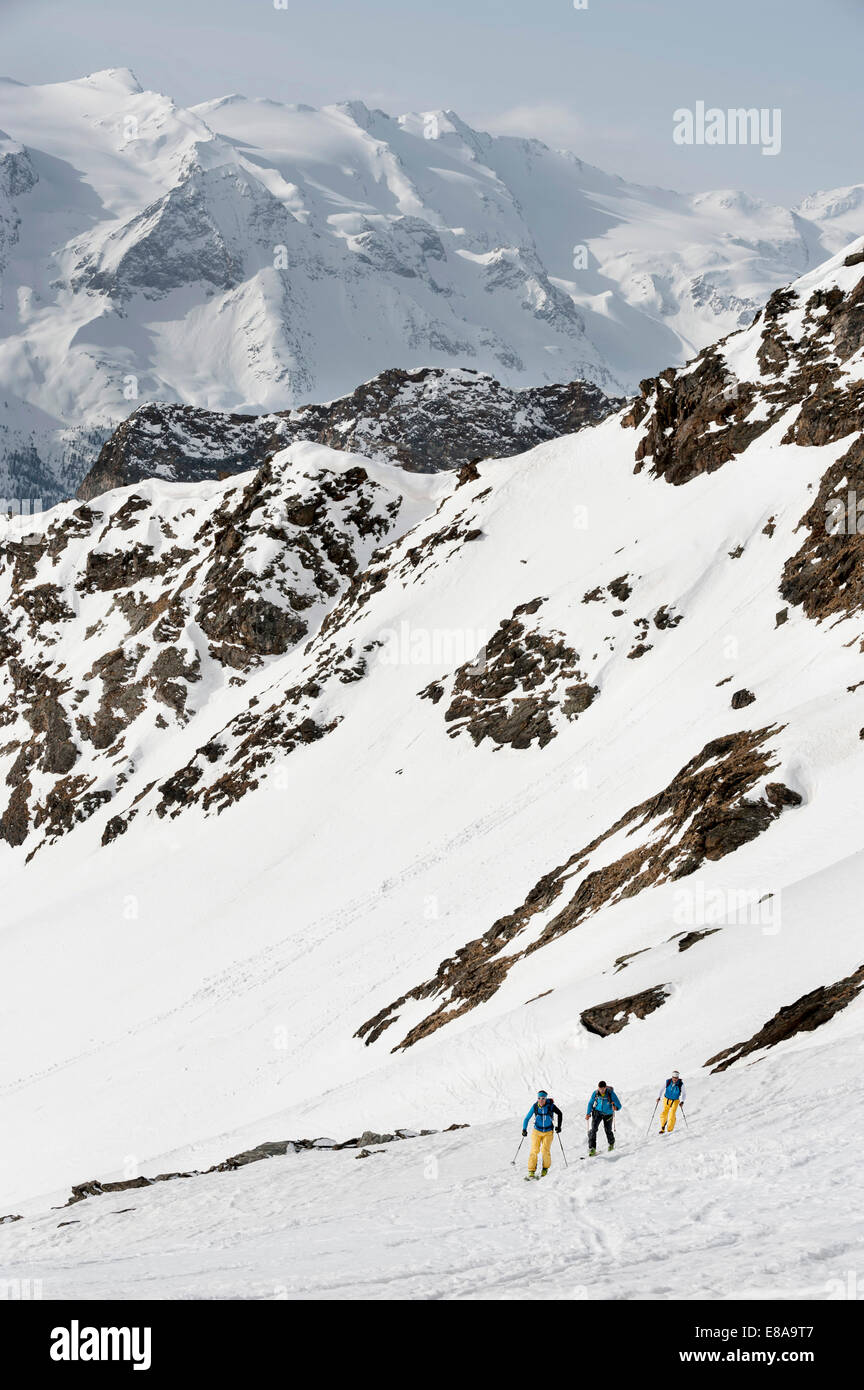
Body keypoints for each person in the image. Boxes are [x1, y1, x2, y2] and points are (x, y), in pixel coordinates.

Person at [521, 1090, 563, 1178]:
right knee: (534, 1150)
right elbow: (526, 1118)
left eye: (543, 1098)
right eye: (539, 1098)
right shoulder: (535, 1106)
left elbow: (560, 1113)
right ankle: (531, 1170)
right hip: (537, 1131)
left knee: (545, 1151)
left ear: (546, 1098)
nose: (541, 1100)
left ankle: (545, 1168)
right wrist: (524, 1129)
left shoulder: (550, 1106)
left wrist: (559, 1126)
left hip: (548, 1132)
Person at [585, 1080, 621, 1155]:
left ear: (605, 1088)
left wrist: (616, 1108)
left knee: (608, 1130)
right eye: (600, 1089)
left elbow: (619, 1105)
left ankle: (611, 1144)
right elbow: (590, 1103)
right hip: (597, 1113)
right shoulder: (595, 1093)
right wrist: (588, 1113)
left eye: (602, 1089)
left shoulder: (610, 1093)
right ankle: (592, 1148)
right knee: (593, 1129)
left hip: (608, 1114)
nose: (601, 1090)